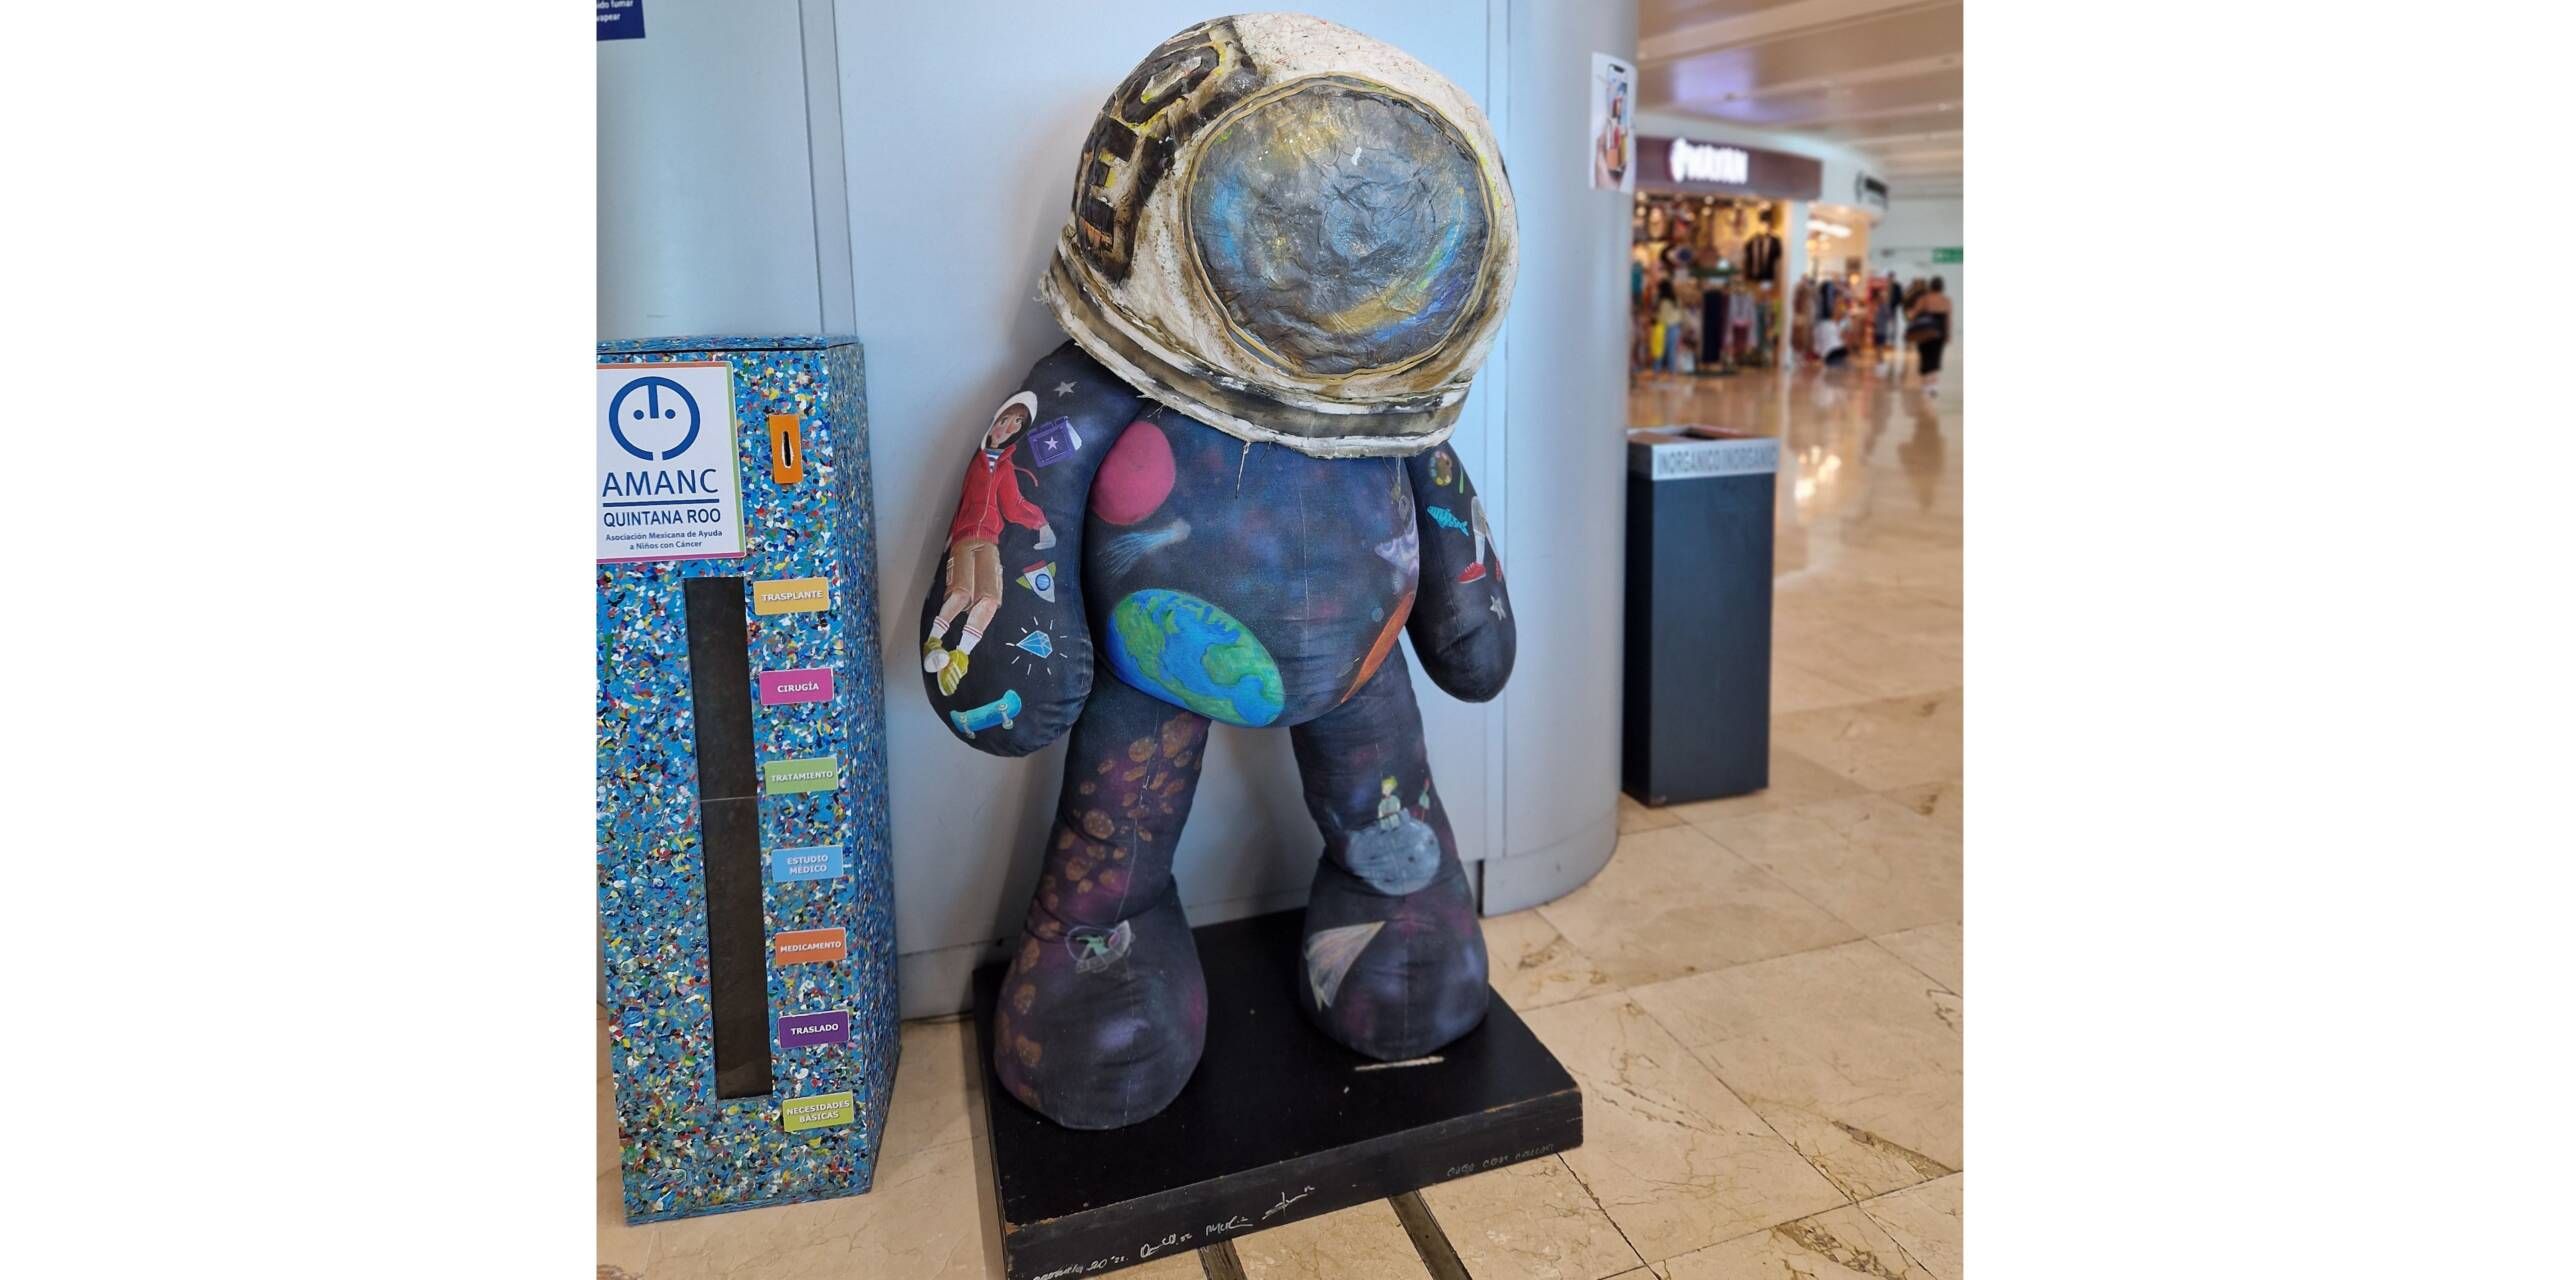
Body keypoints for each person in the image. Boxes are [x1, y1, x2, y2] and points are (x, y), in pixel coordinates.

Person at [1908, 274, 1953, 395]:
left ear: (1931, 286)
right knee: (1935, 358)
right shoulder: (1946, 300)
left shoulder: (1924, 299)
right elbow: (1948, 320)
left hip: (1925, 333)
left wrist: (1911, 317)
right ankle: (1933, 386)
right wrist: (1948, 334)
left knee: (1925, 358)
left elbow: (1913, 314)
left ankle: (1925, 385)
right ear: (1942, 287)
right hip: (1939, 333)